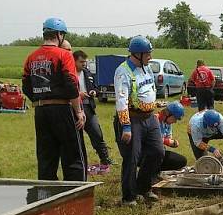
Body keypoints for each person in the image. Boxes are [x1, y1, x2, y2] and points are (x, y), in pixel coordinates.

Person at [21, 17, 86, 182]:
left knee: (46, 159)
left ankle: (47, 197)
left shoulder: (31, 57)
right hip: (62, 109)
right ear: (59, 34)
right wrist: (78, 111)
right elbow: (72, 84)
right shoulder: (64, 55)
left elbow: (26, 86)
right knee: (72, 157)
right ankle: (75, 198)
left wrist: (39, 99)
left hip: (41, 111)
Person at [113, 36, 164, 206]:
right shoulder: (123, 71)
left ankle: (144, 188)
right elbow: (121, 101)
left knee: (157, 152)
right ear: (137, 54)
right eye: (148, 53)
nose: (150, 56)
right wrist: (126, 126)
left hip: (150, 117)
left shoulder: (146, 68)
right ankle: (129, 197)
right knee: (131, 158)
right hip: (133, 119)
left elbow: (148, 89)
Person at [73, 50, 112, 170]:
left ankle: (105, 159)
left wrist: (94, 91)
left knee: (97, 133)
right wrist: (79, 95)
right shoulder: (69, 74)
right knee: (75, 138)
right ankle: (77, 163)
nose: (84, 64)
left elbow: (94, 87)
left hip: (89, 107)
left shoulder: (87, 73)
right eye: (81, 62)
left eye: (85, 62)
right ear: (74, 61)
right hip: (74, 108)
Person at [157, 101, 188, 172]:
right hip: (147, 153)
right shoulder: (155, 120)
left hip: (160, 152)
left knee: (181, 161)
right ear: (168, 114)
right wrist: (168, 142)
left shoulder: (167, 123)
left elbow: (169, 139)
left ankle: (158, 171)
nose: (175, 122)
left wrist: (173, 143)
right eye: (175, 118)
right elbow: (152, 140)